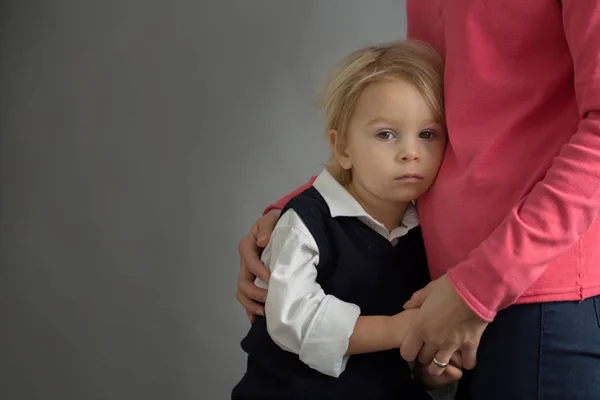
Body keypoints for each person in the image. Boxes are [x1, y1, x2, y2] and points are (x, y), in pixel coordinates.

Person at [236, 1, 600, 399]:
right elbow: (419, 99)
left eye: (426, 137)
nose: (411, 151)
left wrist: (474, 289)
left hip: (533, 288)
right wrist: (308, 206)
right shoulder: (328, 225)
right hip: (444, 290)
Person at [232, 40, 462, 399]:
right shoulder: (305, 222)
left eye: (428, 134)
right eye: (386, 134)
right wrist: (395, 330)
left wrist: (431, 369)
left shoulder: (427, 232)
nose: (411, 153)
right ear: (342, 148)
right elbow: (293, 320)